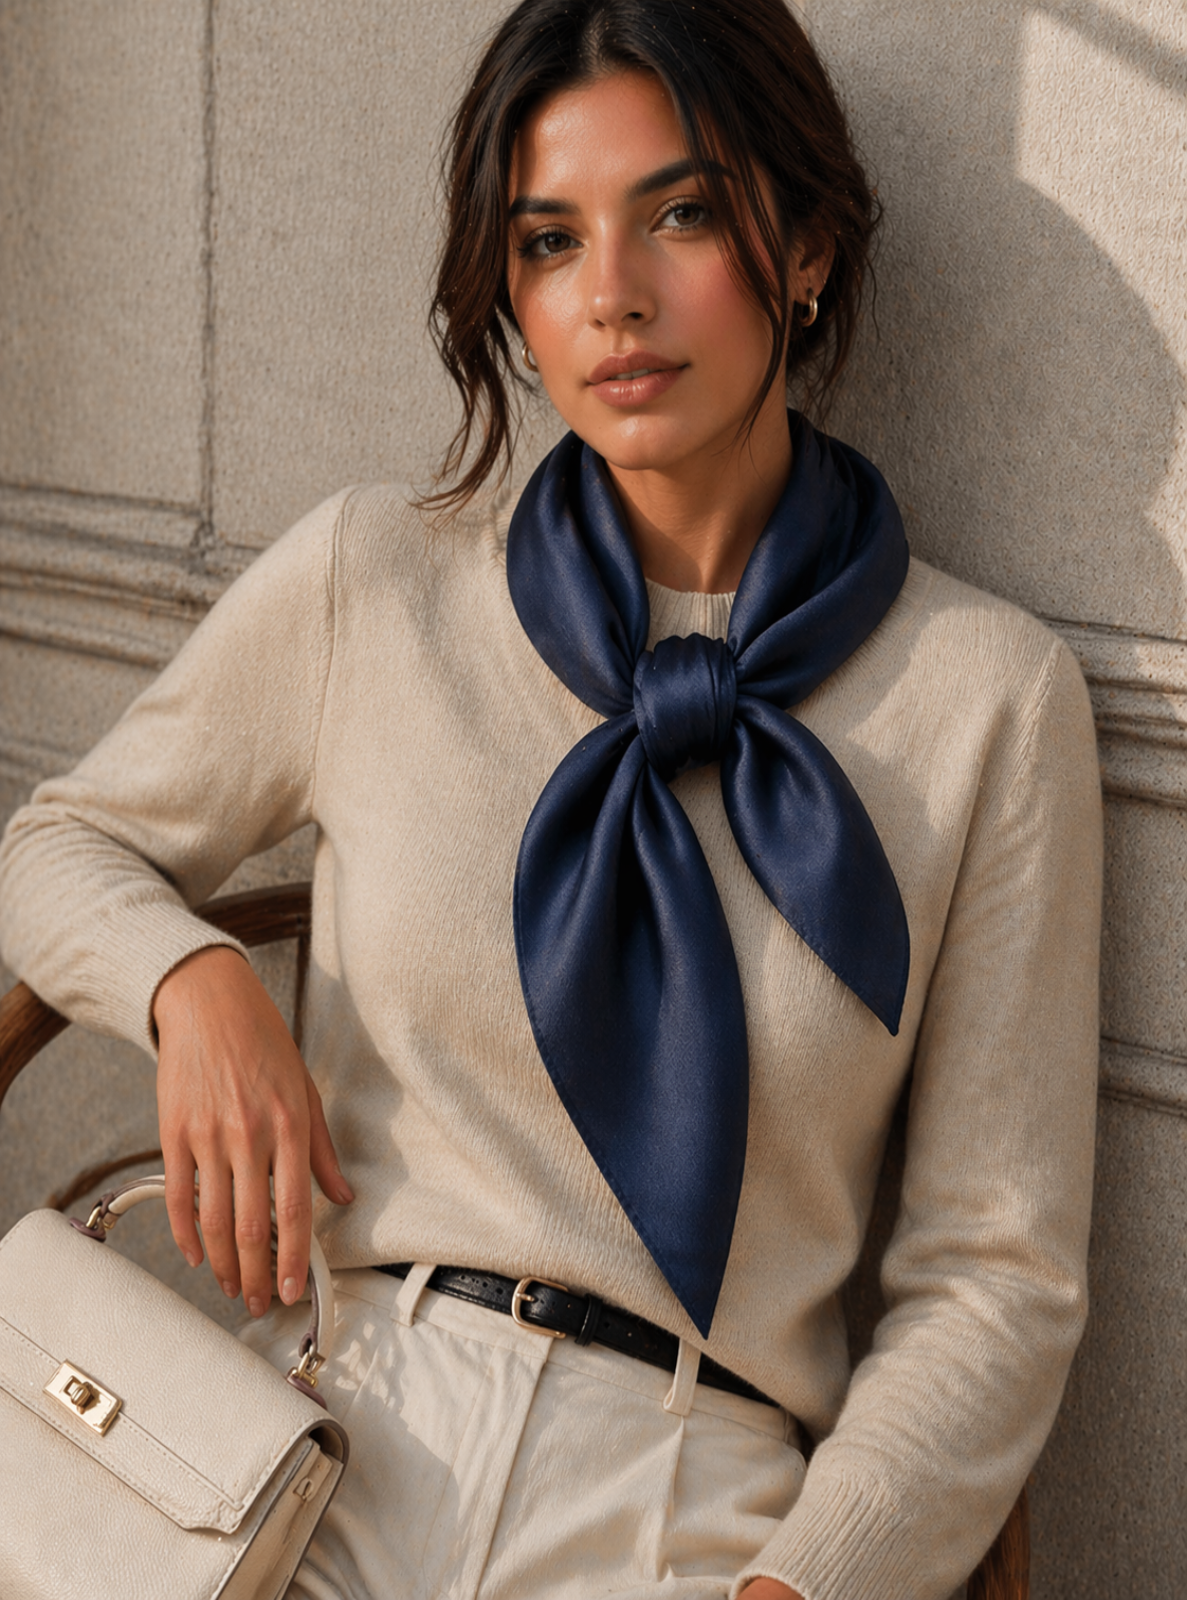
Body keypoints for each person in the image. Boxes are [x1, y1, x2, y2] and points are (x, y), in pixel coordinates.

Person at [0, 2, 1102, 1597]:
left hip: (697, 1505)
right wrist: (190, 981)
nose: (611, 296)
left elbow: (993, 1278)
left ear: (803, 248)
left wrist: (803, 1582)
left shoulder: (989, 701)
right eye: (548, 240)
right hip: (329, 1450)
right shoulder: (376, 579)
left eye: (681, 214)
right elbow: (60, 843)